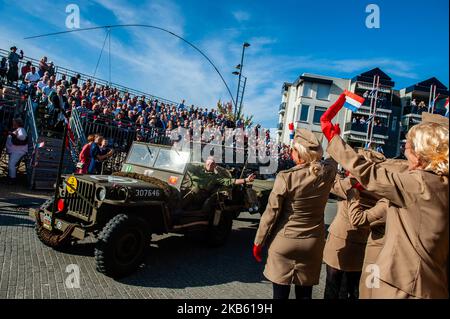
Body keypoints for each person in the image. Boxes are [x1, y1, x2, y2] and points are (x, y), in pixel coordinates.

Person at [321, 92, 449, 299]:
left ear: (422, 153)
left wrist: (333, 139)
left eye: (409, 145)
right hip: (433, 285)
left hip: (403, 285)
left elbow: (370, 173)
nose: (405, 148)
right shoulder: (441, 183)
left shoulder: (418, 183)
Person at [253, 128, 338, 299]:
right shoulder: (327, 171)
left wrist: (258, 242)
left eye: (292, 149)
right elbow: (334, 159)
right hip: (312, 242)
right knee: (305, 294)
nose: (290, 152)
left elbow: (271, 214)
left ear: (299, 154)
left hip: (285, 240)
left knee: (280, 294)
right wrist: (334, 139)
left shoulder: (286, 177)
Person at [323, 148, 386, 299]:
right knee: (354, 288)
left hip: (340, 238)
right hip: (363, 242)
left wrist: (333, 154)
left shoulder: (350, 184)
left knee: (332, 286)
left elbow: (330, 179)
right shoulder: (379, 189)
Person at [346, 159, 409, 299]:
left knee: (367, 292)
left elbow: (358, 219)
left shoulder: (388, 204)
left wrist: (353, 194)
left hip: (377, 258)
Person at [180, 156, 256, 210]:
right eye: (209, 163)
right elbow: (186, 165)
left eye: (212, 164)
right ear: (205, 163)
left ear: (215, 166)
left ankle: (179, 209)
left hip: (201, 194)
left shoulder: (216, 177)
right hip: (188, 190)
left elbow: (231, 181)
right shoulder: (197, 169)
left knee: (195, 190)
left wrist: (246, 179)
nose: (210, 165)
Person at [5, 118, 28, 183]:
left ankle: (12, 179)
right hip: (14, 151)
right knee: (11, 165)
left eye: (14, 122)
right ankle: (10, 178)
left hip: (18, 151)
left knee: (11, 164)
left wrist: (12, 134)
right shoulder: (17, 129)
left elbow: (22, 137)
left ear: (17, 123)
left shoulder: (21, 129)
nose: (13, 123)